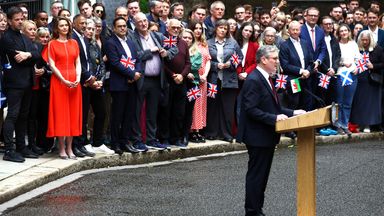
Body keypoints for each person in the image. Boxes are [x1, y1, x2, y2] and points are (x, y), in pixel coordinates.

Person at [237, 45, 305, 216]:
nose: (277, 62)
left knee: (262, 178)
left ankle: (257, 209)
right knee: (256, 176)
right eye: (274, 58)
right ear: (263, 59)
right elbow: (251, 109)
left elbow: (272, 107)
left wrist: (293, 112)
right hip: (257, 136)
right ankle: (252, 211)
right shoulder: (254, 80)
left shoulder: (266, 78)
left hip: (265, 135)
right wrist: (275, 118)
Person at [129, 12, 177, 151]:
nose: (143, 24)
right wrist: (151, 51)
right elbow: (135, 56)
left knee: (152, 111)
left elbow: (174, 48)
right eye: (140, 22)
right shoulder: (132, 37)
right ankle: (137, 139)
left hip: (157, 80)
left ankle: (151, 139)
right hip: (141, 79)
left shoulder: (158, 36)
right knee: (137, 111)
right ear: (135, 24)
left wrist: (166, 53)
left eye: (145, 21)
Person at [0, 7, 41, 162]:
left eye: (21, 18)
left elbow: (37, 55)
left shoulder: (24, 36)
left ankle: (21, 148)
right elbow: (17, 57)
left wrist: (28, 54)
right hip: (14, 83)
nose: (20, 21)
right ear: (9, 21)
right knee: (12, 115)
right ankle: (9, 150)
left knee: (23, 116)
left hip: (27, 82)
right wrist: (27, 56)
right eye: (16, 19)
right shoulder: (6, 38)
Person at [46, 16, 82, 160]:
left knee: (73, 114)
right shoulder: (52, 44)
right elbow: (52, 64)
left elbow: (78, 62)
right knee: (61, 114)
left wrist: (78, 78)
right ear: (57, 28)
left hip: (74, 81)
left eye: (66, 25)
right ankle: (61, 147)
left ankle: (70, 147)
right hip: (59, 82)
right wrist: (63, 79)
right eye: (61, 25)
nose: (64, 28)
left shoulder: (74, 42)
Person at [105, 17, 142, 155]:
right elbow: (115, 63)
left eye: (124, 26)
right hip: (119, 83)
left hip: (132, 84)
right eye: (119, 26)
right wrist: (132, 75)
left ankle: (125, 141)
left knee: (129, 114)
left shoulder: (131, 43)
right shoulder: (110, 43)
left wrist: (137, 72)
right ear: (114, 28)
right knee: (117, 115)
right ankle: (115, 143)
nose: (122, 28)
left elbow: (137, 59)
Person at [206, 19, 243, 142]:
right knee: (212, 106)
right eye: (221, 27)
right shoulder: (208, 42)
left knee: (228, 108)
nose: (223, 30)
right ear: (216, 28)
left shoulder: (233, 43)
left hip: (230, 80)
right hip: (213, 79)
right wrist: (216, 65)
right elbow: (205, 61)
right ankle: (212, 132)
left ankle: (226, 134)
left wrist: (231, 63)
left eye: (225, 28)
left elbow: (239, 58)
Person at [158, 18, 191, 148]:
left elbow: (188, 63)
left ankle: (176, 137)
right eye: (174, 27)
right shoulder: (163, 42)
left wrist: (182, 75)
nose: (176, 30)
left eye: (178, 28)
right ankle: (164, 137)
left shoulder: (183, 43)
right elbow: (162, 63)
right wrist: (173, 75)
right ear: (167, 28)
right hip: (168, 81)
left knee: (179, 111)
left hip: (181, 82)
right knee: (166, 110)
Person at [21, 20, 46, 156]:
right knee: (23, 115)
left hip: (37, 86)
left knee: (33, 116)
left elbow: (44, 63)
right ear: (23, 31)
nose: (33, 31)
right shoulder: (20, 44)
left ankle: (32, 143)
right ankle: (22, 144)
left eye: (34, 29)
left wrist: (43, 70)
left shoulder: (38, 46)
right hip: (24, 85)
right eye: (30, 29)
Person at [350, 30, 383, 131]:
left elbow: (382, 63)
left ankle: (369, 124)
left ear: (370, 40)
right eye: (363, 40)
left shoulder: (377, 49)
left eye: (366, 40)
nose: (364, 42)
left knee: (370, 104)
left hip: (371, 80)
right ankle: (359, 123)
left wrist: (373, 66)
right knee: (359, 103)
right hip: (359, 79)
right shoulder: (357, 49)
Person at [334, 24, 361, 135]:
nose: (344, 32)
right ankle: (338, 125)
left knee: (348, 102)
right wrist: (342, 63)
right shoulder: (336, 45)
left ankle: (345, 125)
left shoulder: (353, 44)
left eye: (346, 30)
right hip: (340, 74)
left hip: (352, 75)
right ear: (338, 33)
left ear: (349, 32)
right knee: (339, 102)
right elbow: (334, 60)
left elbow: (358, 58)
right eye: (341, 31)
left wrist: (357, 68)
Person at [188, 20, 211, 143]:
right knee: (194, 104)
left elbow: (207, 60)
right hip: (192, 79)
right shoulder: (189, 43)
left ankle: (198, 130)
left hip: (203, 79)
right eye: (195, 28)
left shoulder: (203, 44)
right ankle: (191, 130)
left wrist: (205, 75)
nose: (198, 30)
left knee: (201, 104)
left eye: (200, 28)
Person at [180, 29, 202, 144]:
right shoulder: (177, 49)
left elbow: (194, 66)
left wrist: (184, 70)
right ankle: (177, 135)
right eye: (185, 37)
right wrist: (185, 72)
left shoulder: (197, 53)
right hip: (180, 83)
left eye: (189, 38)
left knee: (188, 111)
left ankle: (185, 135)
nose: (187, 40)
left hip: (192, 85)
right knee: (179, 110)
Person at [235, 22, 259, 124]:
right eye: (246, 30)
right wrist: (239, 72)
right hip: (235, 77)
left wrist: (246, 73)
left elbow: (256, 62)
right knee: (235, 104)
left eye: (250, 31)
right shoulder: (234, 43)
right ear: (241, 30)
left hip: (248, 78)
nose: (248, 33)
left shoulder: (255, 45)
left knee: (244, 103)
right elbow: (233, 59)